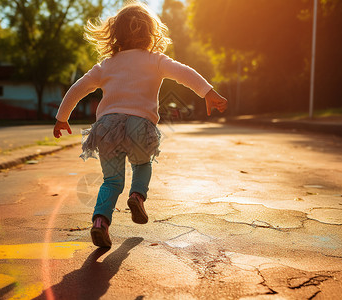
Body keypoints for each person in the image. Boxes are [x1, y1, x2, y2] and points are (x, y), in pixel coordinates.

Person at [53, 1, 227, 248]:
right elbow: (184, 73)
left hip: (107, 127)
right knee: (142, 163)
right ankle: (137, 196)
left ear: (115, 36)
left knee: (111, 181)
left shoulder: (106, 65)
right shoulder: (155, 60)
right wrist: (207, 92)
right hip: (139, 125)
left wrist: (62, 117)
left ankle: (100, 222)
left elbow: (78, 88)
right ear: (150, 33)